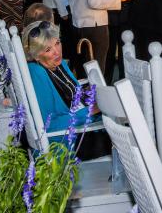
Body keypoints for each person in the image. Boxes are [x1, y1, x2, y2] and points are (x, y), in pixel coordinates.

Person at [25, 22, 109, 159]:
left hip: (79, 129)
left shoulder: (59, 64)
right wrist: (90, 111)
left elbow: (71, 95)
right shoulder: (37, 73)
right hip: (64, 142)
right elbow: (48, 125)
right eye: (48, 50)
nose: (56, 52)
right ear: (35, 55)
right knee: (125, 135)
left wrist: (89, 95)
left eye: (57, 43)